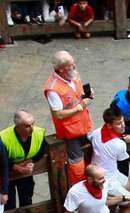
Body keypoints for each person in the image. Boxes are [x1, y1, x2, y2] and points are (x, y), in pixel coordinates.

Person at [45, 51, 93, 185]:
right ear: (60, 68)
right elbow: (58, 114)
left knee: (88, 156)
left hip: (82, 125)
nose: (75, 66)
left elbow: (77, 94)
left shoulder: (73, 74)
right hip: (70, 132)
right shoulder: (53, 89)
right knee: (76, 165)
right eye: (71, 65)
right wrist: (80, 107)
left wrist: (86, 95)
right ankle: (77, 188)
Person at [91, 107, 130, 213]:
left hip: (112, 172)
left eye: (123, 121)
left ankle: (114, 208)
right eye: (119, 124)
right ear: (109, 125)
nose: (123, 125)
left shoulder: (96, 133)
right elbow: (122, 158)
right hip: (108, 180)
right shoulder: (119, 145)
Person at [0, 111, 46, 212]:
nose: (32, 128)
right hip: (8, 178)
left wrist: (25, 164)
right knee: (9, 206)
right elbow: (1, 161)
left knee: (27, 203)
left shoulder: (39, 133)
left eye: (33, 124)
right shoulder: (3, 138)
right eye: (27, 126)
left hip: (26, 177)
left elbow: (41, 153)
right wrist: (20, 169)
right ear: (18, 127)